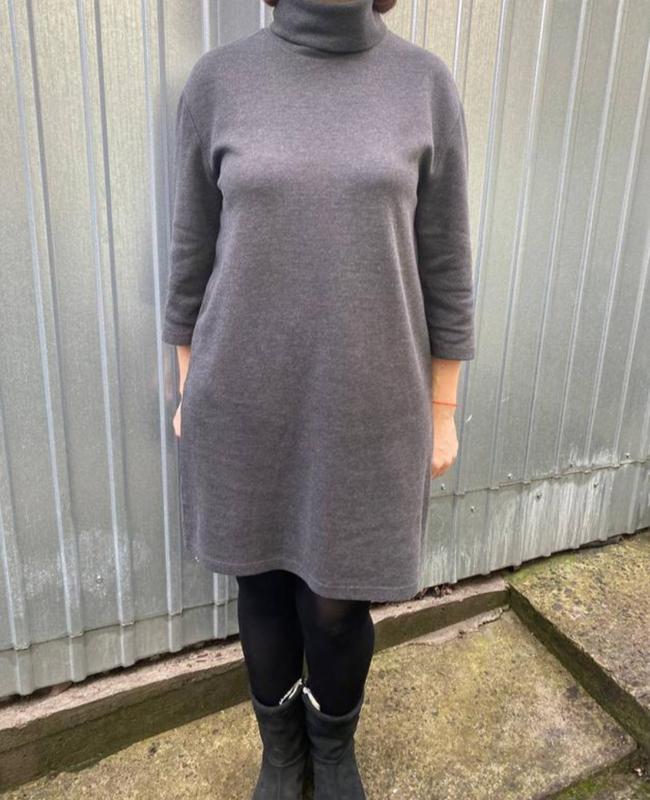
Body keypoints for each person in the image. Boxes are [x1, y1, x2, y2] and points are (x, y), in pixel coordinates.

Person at [161, 0, 476, 796]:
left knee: (337, 602)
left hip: (370, 402)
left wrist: (443, 411)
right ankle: (282, 751)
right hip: (243, 395)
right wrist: (188, 385)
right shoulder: (218, 82)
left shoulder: (423, 84)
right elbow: (191, 252)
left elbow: (445, 261)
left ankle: (331, 746)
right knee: (262, 583)